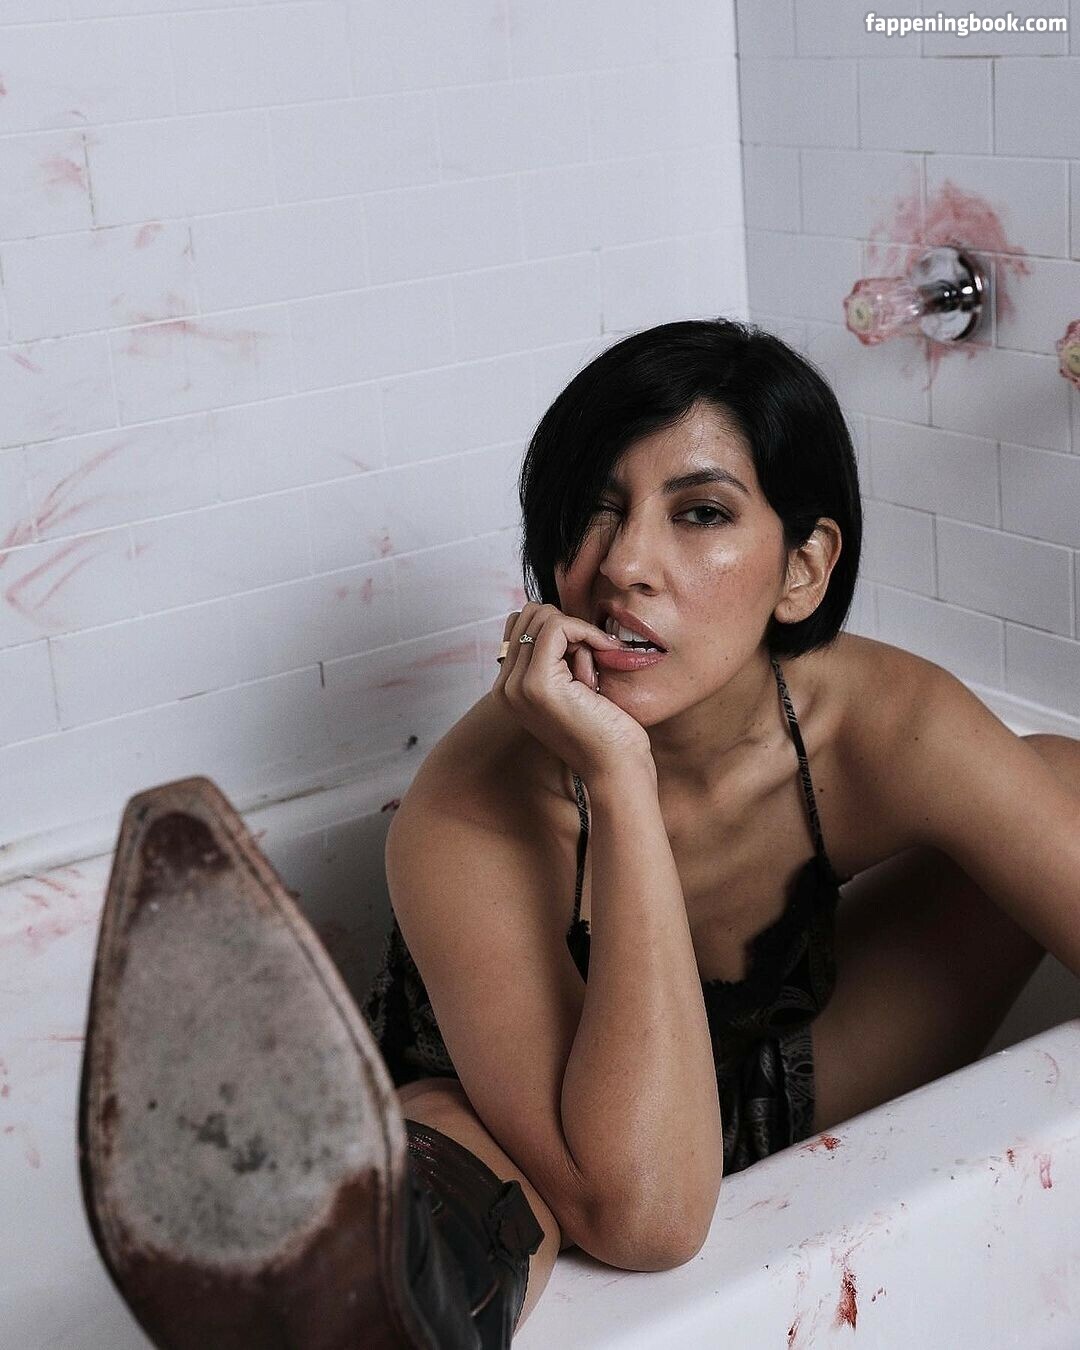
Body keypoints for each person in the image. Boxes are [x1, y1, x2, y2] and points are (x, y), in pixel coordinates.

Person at [79, 318, 1080, 1348]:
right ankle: (356, 1295)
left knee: (1055, 779)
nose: (626, 564)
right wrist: (619, 777)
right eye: (594, 512)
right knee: (435, 1172)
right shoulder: (469, 807)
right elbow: (645, 1217)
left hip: (771, 1085)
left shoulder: (880, 724)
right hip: (531, 1154)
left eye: (700, 513)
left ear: (803, 568)